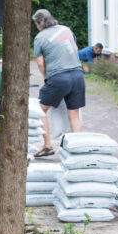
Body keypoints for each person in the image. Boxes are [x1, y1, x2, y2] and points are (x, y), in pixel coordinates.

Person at [32, 9, 85, 157]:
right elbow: (75, 49)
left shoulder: (40, 37)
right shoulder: (65, 29)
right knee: (74, 114)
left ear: (38, 23)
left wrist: (46, 78)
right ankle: (78, 149)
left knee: (39, 110)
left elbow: (41, 62)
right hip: (78, 75)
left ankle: (47, 146)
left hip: (58, 77)